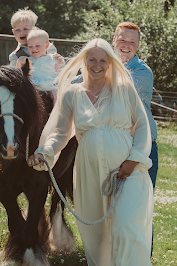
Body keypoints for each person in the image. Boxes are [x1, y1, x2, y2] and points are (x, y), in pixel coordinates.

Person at [28, 38, 153, 266]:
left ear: (110, 63)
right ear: (84, 61)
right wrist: (45, 152)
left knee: (126, 226)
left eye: (102, 60)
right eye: (92, 59)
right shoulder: (73, 93)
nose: (97, 65)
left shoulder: (124, 89)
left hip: (125, 170)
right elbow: (61, 132)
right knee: (97, 234)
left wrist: (134, 160)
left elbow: (142, 125)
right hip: (89, 173)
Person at [71, 22, 158, 255]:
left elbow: (112, 85)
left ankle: (139, 258)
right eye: (122, 39)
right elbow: (78, 87)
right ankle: (109, 256)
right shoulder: (102, 66)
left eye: (132, 41)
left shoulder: (141, 72)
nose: (126, 45)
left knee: (133, 210)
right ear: (113, 39)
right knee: (105, 207)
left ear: (139, 45)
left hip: (140, 146)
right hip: (106, 147)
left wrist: (83, 78)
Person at [16, 29, 63, 104]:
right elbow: (19, 73)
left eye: (37, 45)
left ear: (46, 45)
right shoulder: (28, 60)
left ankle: (56, 114)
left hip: (50, 86)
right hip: (34, 86)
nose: (34, 48)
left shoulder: (53, 58)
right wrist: (20, 61)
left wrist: (60, 62)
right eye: (30, 46)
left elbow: (60, 73)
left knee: (57, 95)